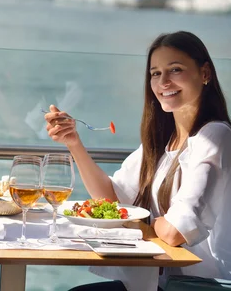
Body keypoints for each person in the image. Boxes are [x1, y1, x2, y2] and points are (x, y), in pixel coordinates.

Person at [44, 31, 231, 290]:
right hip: (157, 280)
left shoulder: (215, 136)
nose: (163, 82)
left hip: (196, 285)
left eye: (175, 70)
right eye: (155, 73)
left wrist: (134, 224)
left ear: (205, 73)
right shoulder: (165, 143)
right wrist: (73, 143)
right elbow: (110, 197)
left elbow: (176, 231)